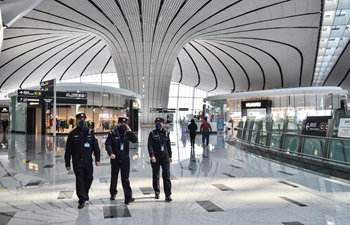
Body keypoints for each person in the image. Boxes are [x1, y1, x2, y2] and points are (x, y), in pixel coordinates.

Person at [65, 113, 100, 209]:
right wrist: (67, 162)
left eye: (83, 118)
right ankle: (81, 199)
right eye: (80, 119)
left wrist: (97, 158)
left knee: (89, 178)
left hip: (88, 160)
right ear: (76, 120)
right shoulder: (72, 134)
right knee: (80, 180)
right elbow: (68, 149)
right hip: (77, 161)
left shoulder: (90, 132)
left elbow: (95, 146)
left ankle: (85, 193)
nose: (82, 120)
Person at [105, 117, 137, 204]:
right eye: (121, 123)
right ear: (118, 124)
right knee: (114, 177)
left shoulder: (127, 133)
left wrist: (129, 132)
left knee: (125, 178)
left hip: (125, 159)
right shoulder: (113, 133)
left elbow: (135, 140)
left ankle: (128, 197)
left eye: (124, 124)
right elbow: (108, 144)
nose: (123, 125)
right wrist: (111, 153)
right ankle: (113, 193)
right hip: (115, 159)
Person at [147, 117, 173, 202]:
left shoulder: (166, 133)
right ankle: (157, 192)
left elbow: (168, 145)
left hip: (165, 157)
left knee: (167, 176)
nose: (158, 124)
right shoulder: (152, 133)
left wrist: (170, 156)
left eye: (160, 122)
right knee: (156, 176)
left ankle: (168, 195)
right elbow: (150, 145)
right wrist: (152, 156)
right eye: (157, 122)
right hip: (156, 157)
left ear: (163, 124)